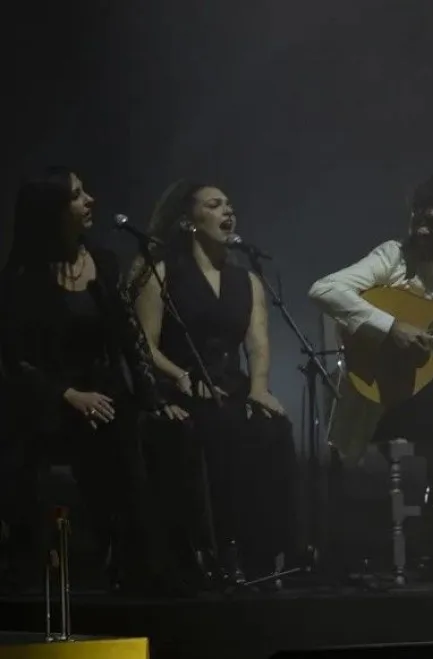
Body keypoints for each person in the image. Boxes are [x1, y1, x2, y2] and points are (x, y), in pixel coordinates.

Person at [309, 174, 433, 578]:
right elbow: (325, 289)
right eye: (417, 218)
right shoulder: (392, 258)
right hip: (385, 404)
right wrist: (389, 326)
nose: (420, 229)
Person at [0, 167, 183, 594]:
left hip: (105, 392)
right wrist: (69, 395)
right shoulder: (21, 281)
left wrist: (153, 398)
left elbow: (129, 337)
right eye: (78, 196)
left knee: (161, 432)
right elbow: (14, 361)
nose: (90, 202)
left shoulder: (102, 261)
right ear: (52, 211)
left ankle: (158, 565)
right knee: (106, 440)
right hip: (49, 400)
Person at [131, 180, 300, 587]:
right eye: (214, 204)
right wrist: (181, 377)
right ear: (191, 220)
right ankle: (219, 548)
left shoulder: (248, 281)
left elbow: (259, 344)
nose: (228, 211)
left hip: (231, 385)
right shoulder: (163, 273)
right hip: (180, 384)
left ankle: (267, 552)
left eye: (229, 204)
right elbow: (143, 343)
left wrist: (259, 388)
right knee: (219, 428)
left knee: (274, 428)